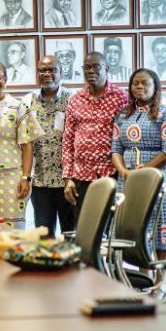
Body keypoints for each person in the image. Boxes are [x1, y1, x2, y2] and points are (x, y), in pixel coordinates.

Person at [111, 68, 166, 265]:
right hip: (127, 177)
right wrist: (123, 171)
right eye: (135, 83)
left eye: (145, 83)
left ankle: (159, 278)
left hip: (158, 176)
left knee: (161, 225)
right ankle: (142, 273)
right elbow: (116, 149)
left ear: (155, 87)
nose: (140, 86)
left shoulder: (165, 113)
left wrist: (144, 171)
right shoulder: (122, 115)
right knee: (133, 224)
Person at [62, 52, 128, 222]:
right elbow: (68, 140)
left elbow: (126, 137)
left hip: (111, 173)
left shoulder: (121, 97)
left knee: (111, 227)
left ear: (106, 68)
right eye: (87, 67)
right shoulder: (75, 99)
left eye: (96, 66)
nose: (91, 71)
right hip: (81, 176)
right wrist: (67, 178)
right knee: (84, 227)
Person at [0, 62, 43, 227]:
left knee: (13, 228)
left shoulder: (19, 106)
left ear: (5, 79)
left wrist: (25, 178)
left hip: (13, 178)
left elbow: (27, 146)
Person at [23, 56, 74, 237]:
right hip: (40, 181)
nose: (46, 74)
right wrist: (25, 177)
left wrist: (71, 177)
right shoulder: (28, 101)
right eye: (42, 70)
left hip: (68, 180)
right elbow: (25, 141)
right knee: (44, 234)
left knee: (71, 233)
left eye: (51, 69)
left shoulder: (73, 99)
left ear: (61, 72)